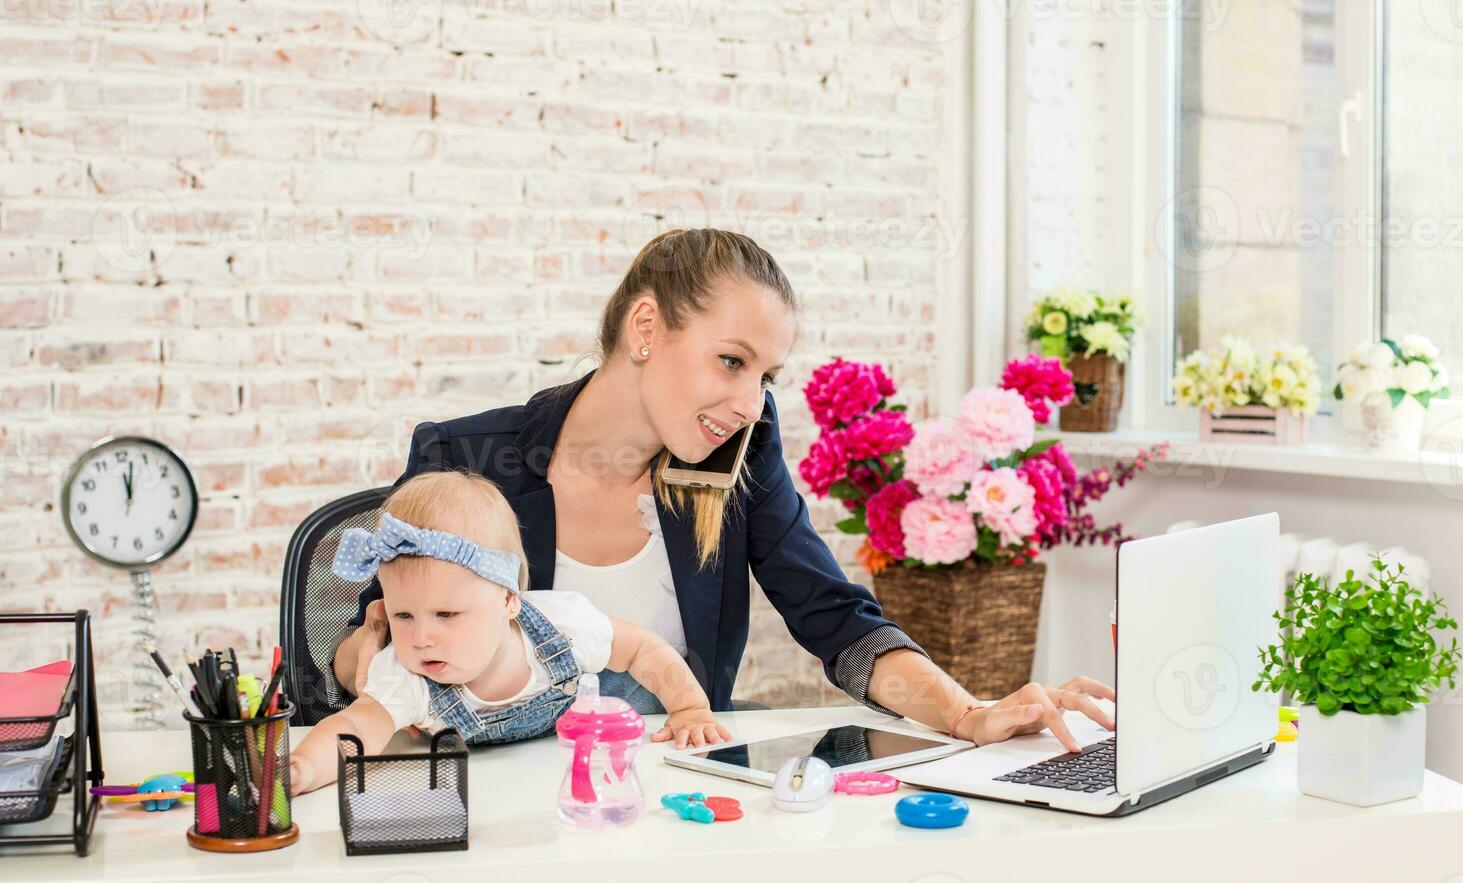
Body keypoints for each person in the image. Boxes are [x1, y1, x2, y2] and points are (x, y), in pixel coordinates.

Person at [333, 228, 1114, 753]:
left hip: (676, 800)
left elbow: (835, 618)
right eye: (731, 362)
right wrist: (367, 651)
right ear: (646, 328)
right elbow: (368, 642)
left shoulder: (736, 455)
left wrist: (967, 714)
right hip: (508, 803)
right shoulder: (466, 455)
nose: (750, 402)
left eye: (767, 375)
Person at [291, 470, 730, 795]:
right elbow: (353, 728)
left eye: (446, 614)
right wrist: (301, 769)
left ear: (507, 600)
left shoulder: (562, 627)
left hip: (564, 778)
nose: (422, 637)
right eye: (404, 616)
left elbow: (642, 648)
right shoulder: (406, 675)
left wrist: (690, 708)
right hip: (482, 796)